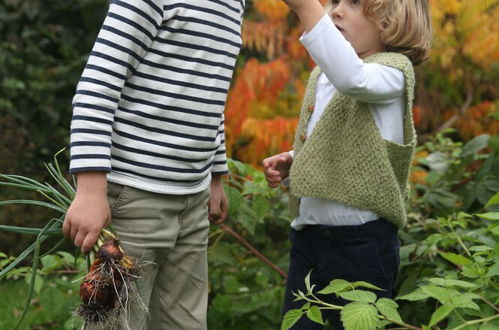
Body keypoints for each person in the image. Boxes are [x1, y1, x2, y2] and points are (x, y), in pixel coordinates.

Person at [62, 0, 244, 329]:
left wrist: (216, 174)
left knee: (187, 321)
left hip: (193, 198)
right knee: (121, 321)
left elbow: (208, 96)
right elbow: (97, 86)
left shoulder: (234, 5)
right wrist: (90, 189)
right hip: (135, 196)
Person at [263, 0, 431, 328]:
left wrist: (306, 9)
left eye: (353, 3)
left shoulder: (392, 72)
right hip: (308, 238)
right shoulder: (324, 76)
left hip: (362, 243)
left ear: (391, 20)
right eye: (334, 1)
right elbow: (342, 143)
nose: (336, 10)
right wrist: (296, 162)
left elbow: (354, 80)